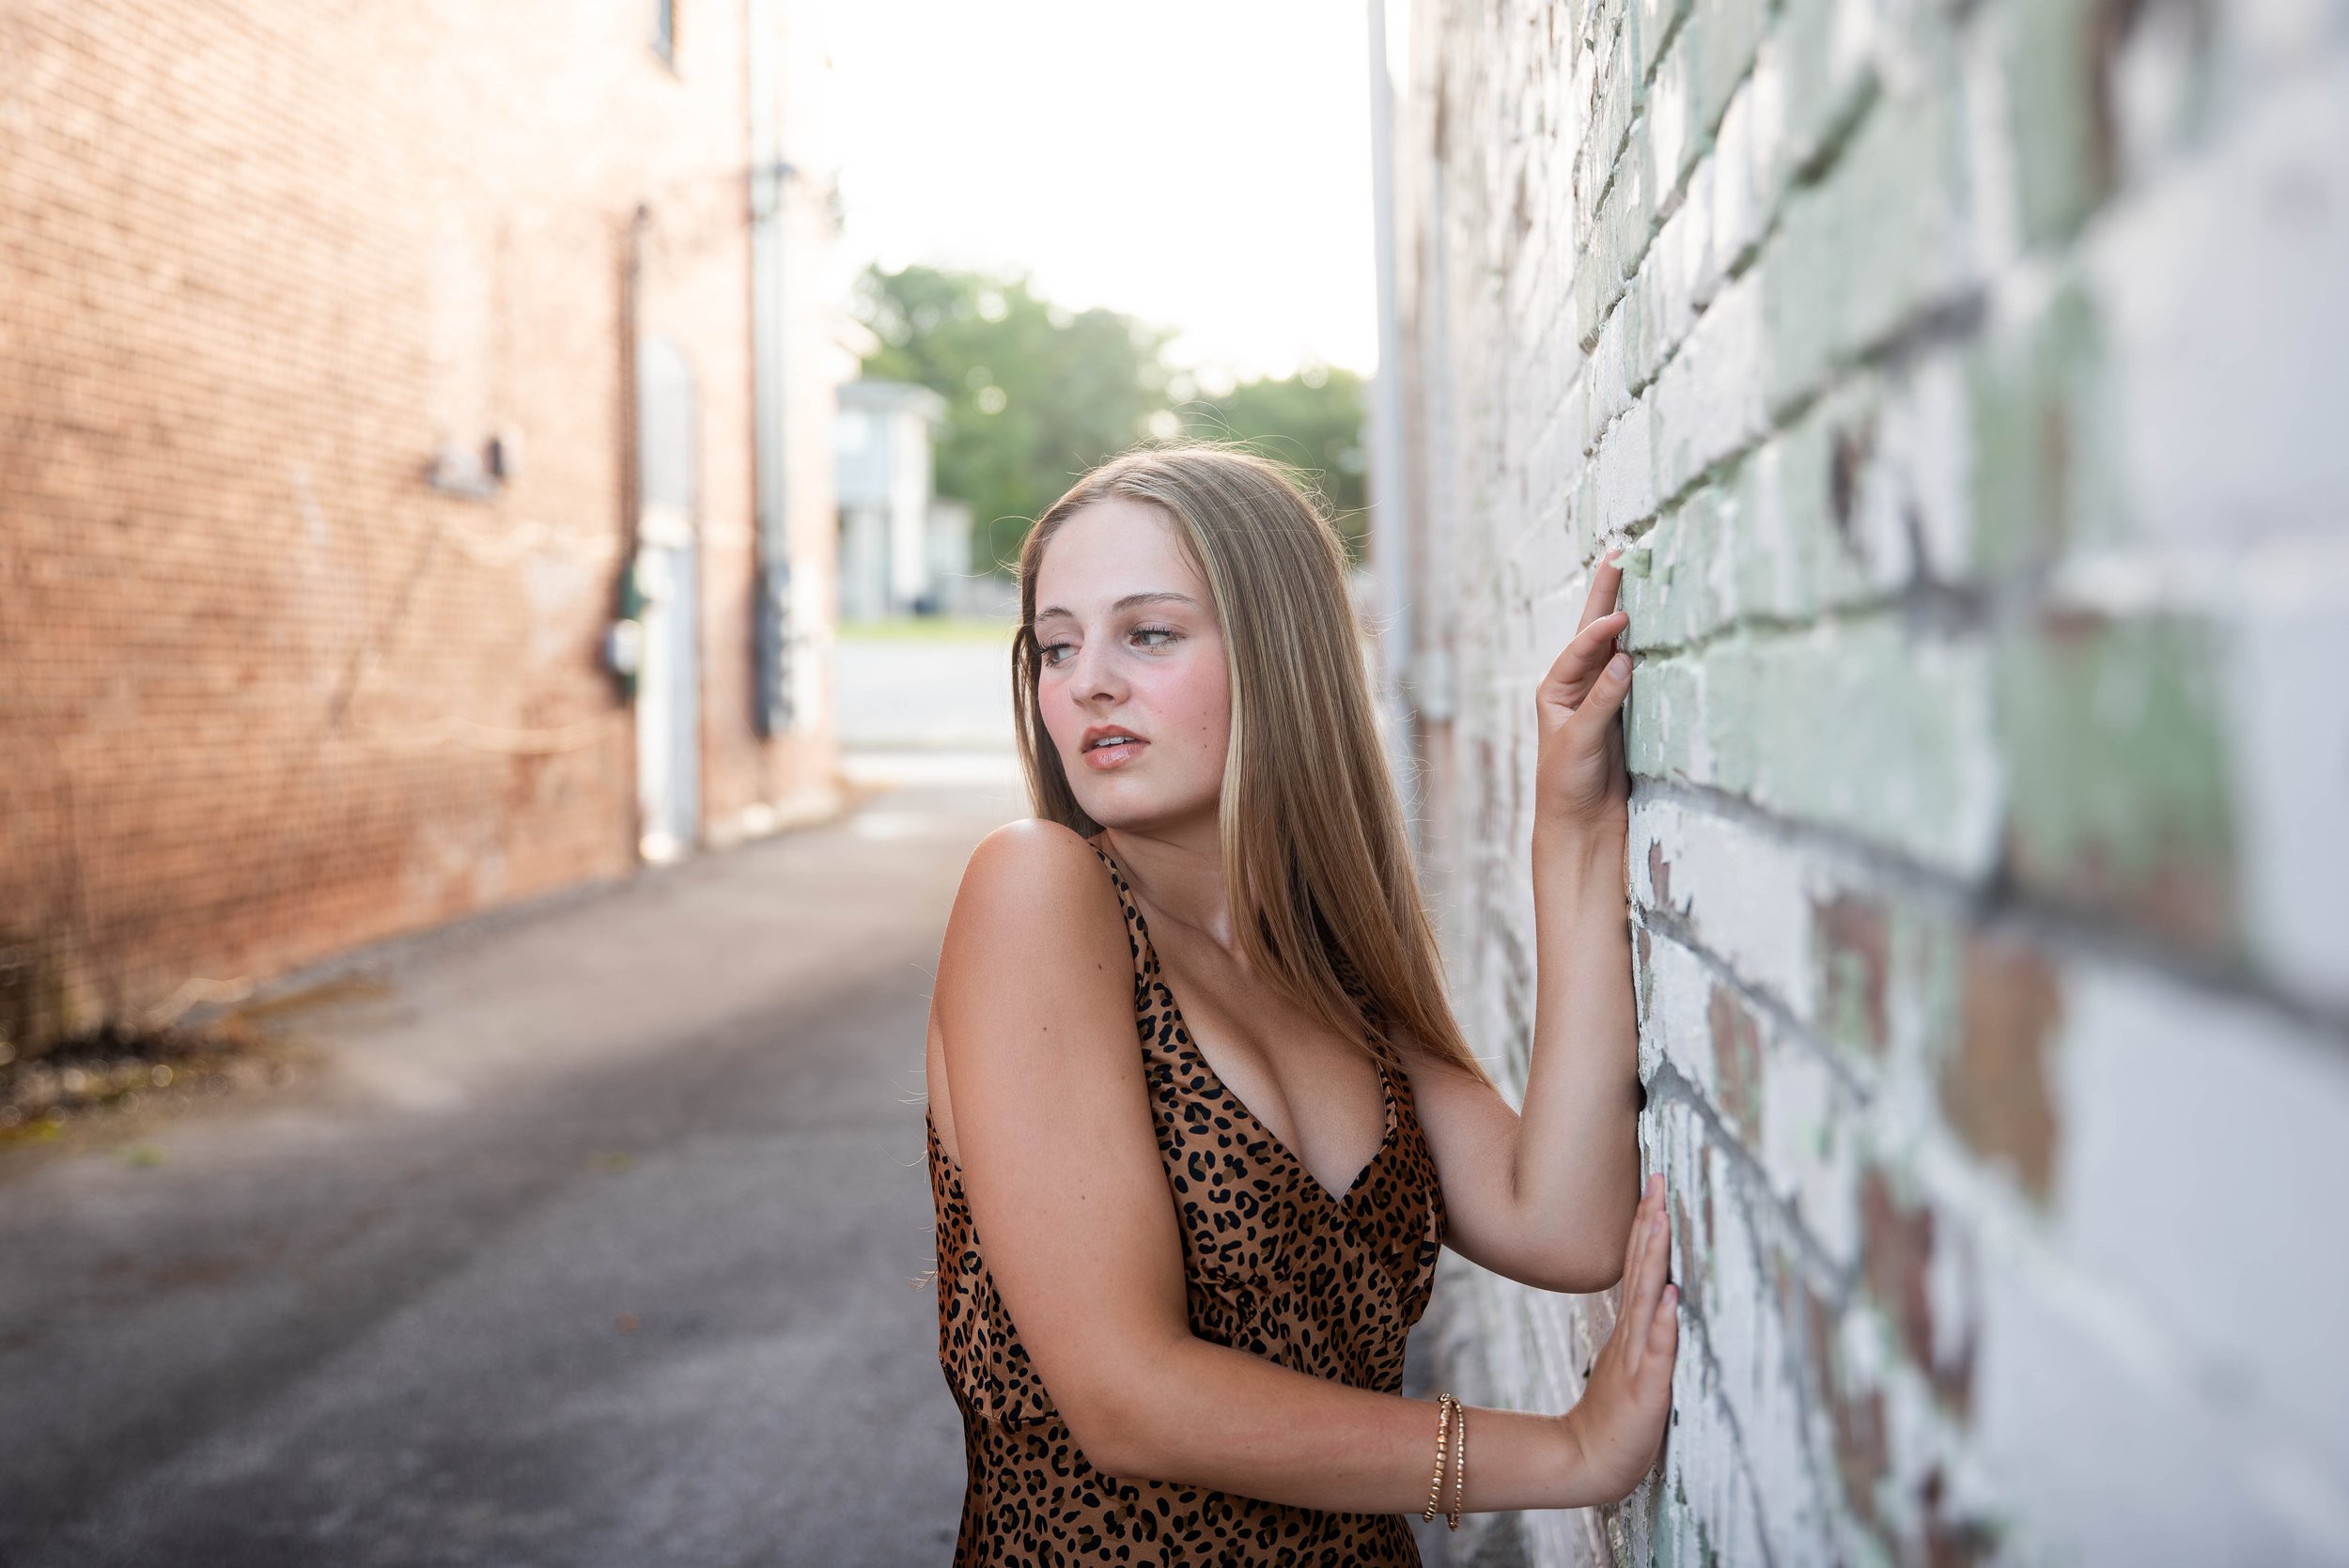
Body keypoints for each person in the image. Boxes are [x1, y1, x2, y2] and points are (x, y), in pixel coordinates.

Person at [923, 442, 1676, 1563]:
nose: (1085, 683)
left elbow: (1563, 1223)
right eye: (1056, 646)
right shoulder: (1037, 889)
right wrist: (1563, 1451)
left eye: (1150, 633)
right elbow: (1127, 1396)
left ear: (1279, 656)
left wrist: (1570, 827)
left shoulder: (1325, 974)